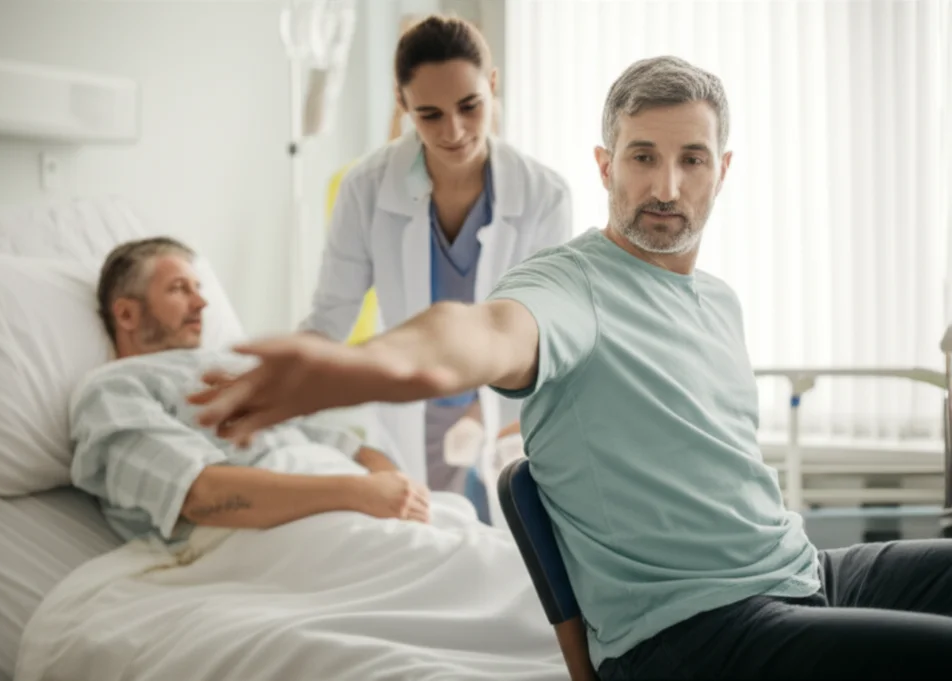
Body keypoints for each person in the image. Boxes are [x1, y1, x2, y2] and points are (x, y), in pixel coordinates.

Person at [189, 55, 952, 679]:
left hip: (803, 570)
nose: (665, 188)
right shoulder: (568, 284)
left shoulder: (719, 300)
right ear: (604, 164)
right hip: (697, 629)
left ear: (722, 170)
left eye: (690, 160)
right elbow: (480, 332)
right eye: (642, 157)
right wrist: (359, 366)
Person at [299, 14, 573, 517]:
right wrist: (278, 383)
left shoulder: (543, 195)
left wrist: (513, 422)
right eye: (429, 114)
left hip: (512, 412)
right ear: (402, 104)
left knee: (514, 554)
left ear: (492, 85)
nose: (454, 131)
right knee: (429, 551)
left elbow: (548, 331)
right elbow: (330, 316)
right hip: (410, 414)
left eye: (470, 106)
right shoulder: (366, 188)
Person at [71, 237, 430, 546]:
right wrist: (356, 493)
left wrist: (398, 487)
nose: (201, 303)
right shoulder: (113, 389)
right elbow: (198, 495)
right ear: (127, 315)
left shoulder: (229, 368)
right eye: (179, 288)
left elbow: (348, 445)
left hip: (348, 493)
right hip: (259, 528)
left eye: (199, 288)